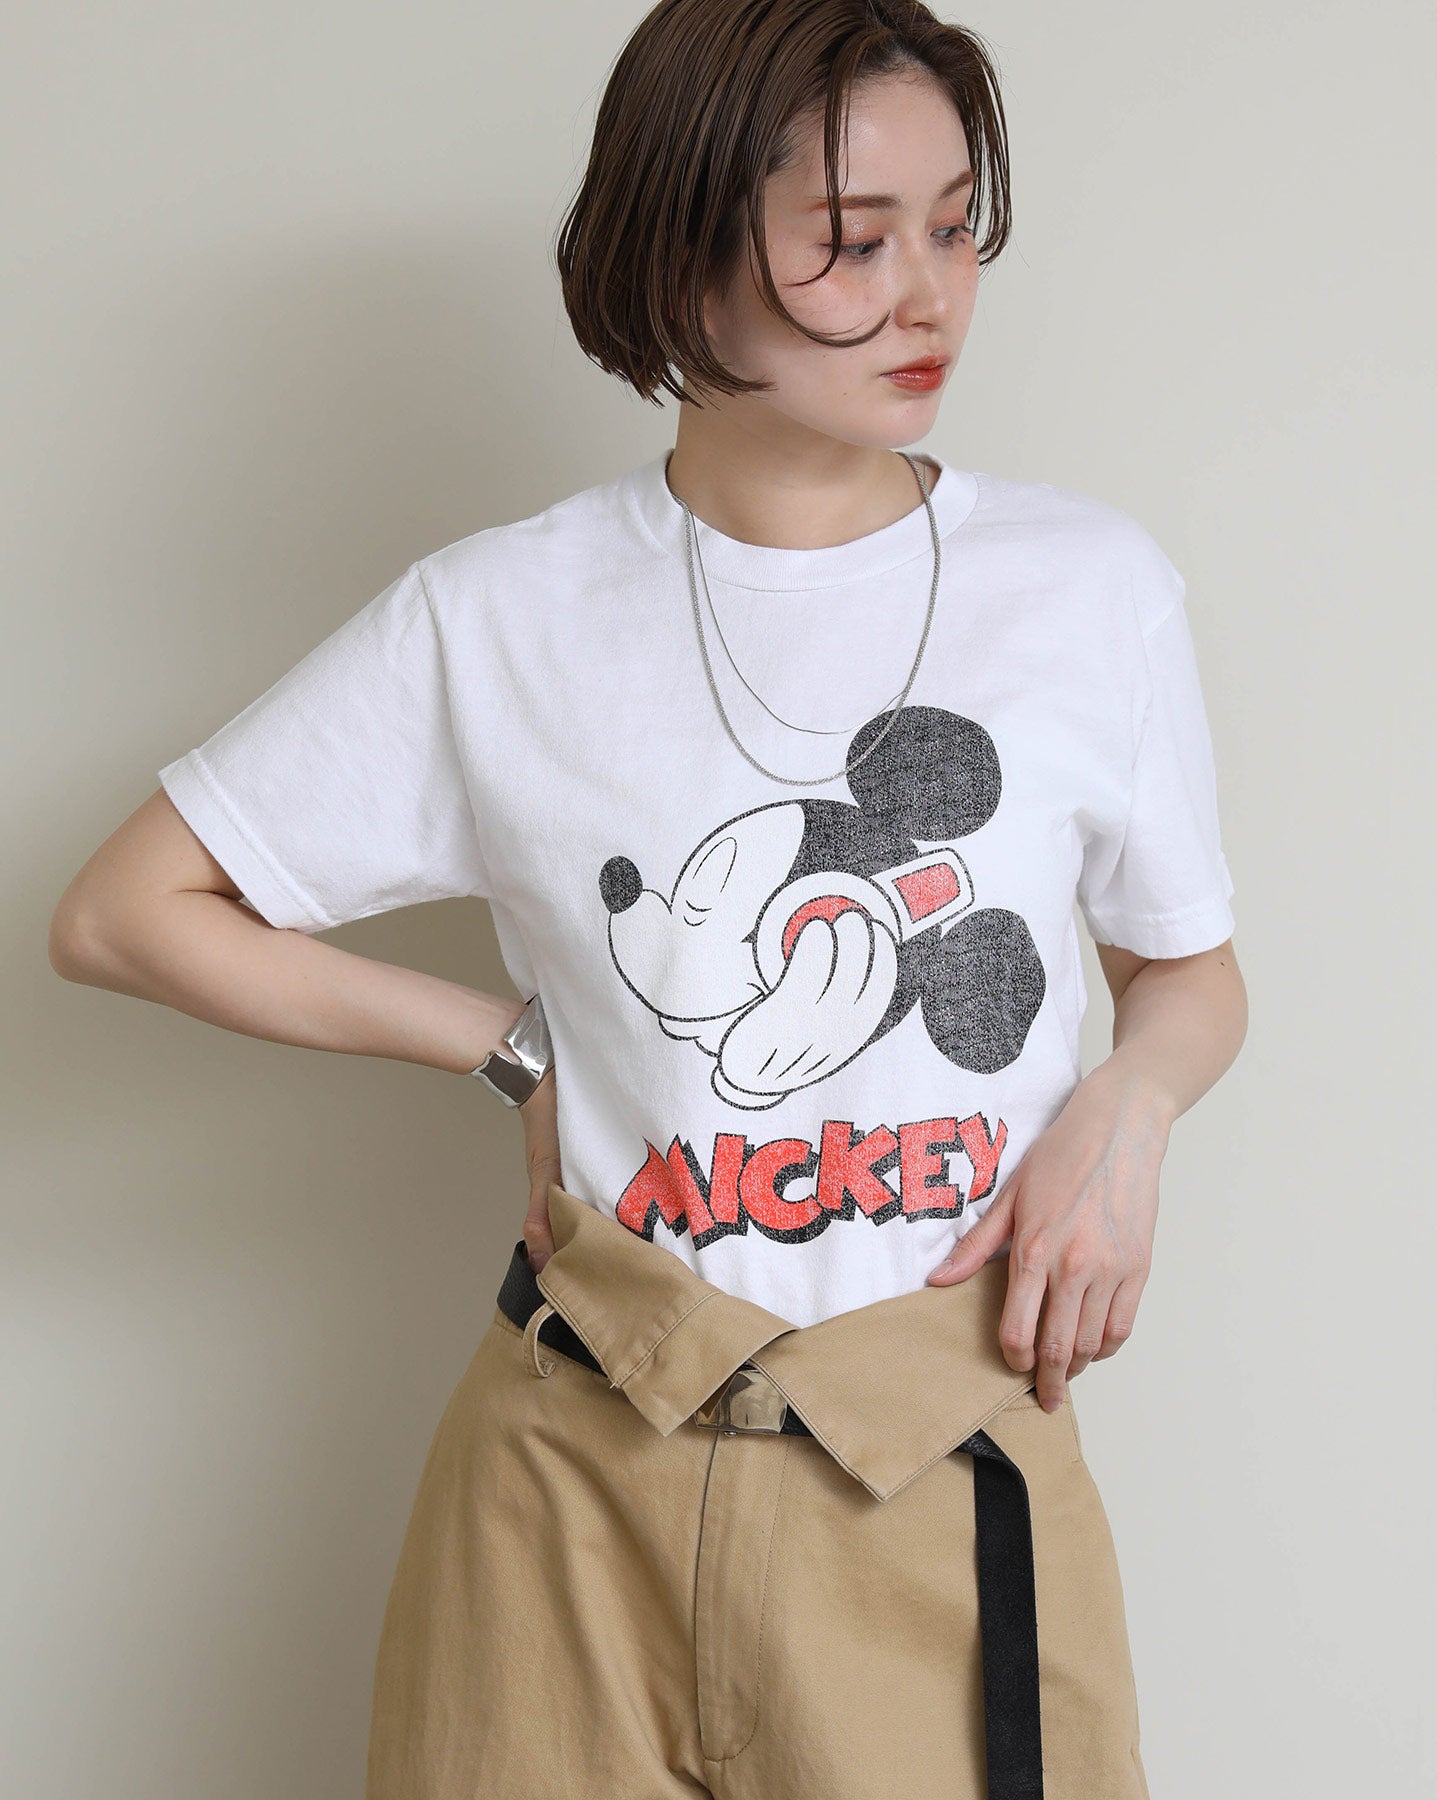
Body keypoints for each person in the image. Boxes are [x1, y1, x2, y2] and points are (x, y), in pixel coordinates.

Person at [48, 2, 1249, 1795]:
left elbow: (1192, 975)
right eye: (852, 241)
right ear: (685, 258)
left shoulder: (1086, 592)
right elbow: (122, 909)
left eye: (952, 226)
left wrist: (1128, 1110)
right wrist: (505, 1043)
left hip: (936, 1464)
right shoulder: (502, 617)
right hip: (567, 1489)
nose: (927, 293)